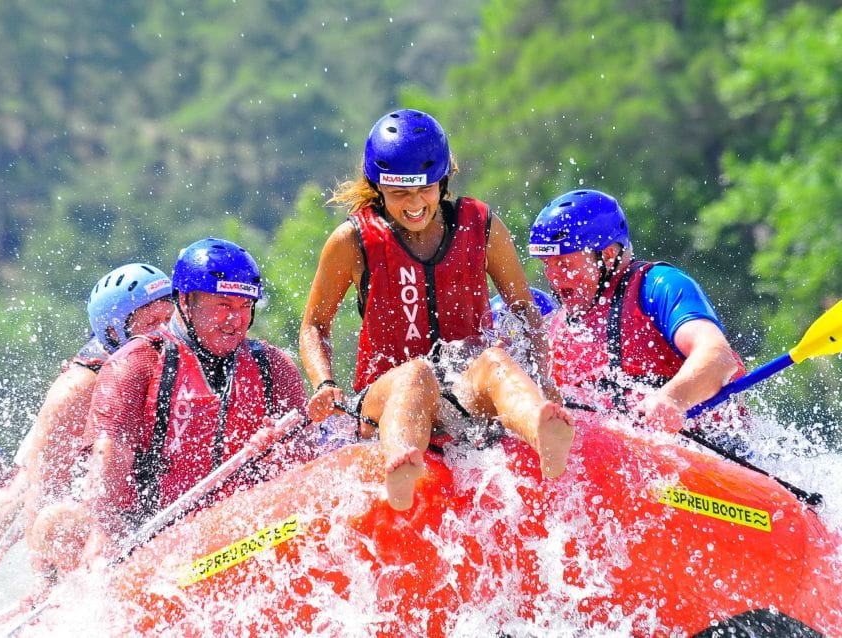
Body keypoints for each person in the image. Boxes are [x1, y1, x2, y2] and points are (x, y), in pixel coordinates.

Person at [300, 108, 573, 512]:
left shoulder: (481, 225)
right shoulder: (350, 241)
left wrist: (540, 375)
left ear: (442, 180)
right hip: (387, 395)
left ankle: (541, 429)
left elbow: (523, 308)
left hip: (464, 391)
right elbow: (314, 324)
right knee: (417, 373)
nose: (414, 204)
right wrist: (324, 383)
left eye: (424, 189)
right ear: (378, 188)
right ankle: (401, 464)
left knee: (494, 359)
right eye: (399, 194)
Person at [79, 238, 307, 552]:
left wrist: (279, 453)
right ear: (186, 302)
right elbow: (108, 465)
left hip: (246, 529)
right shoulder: (135, 363)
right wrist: (104, 535)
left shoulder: (273, 366)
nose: (236, 320)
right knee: (60, 522)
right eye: (223, 305)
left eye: (245, 306)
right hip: (153, 537)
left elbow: (307, 457)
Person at [527, 189, 746, 433]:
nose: (554, 278)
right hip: (617, 457)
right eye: (547, 265)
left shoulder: (659, 287)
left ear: (608, 255)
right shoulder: (560, 329)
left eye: (564, 264)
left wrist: (672, 399)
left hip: (710, 450)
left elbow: (719, 357)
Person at [19, 264, 174, 571]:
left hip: (152, 495)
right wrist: (43, 576)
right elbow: (44, 490)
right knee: (56, 521)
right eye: (152, 322)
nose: (164, 332)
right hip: (92, 505)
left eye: (169, 319)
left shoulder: (179, 358)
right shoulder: (77, 389)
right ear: (115, 331)